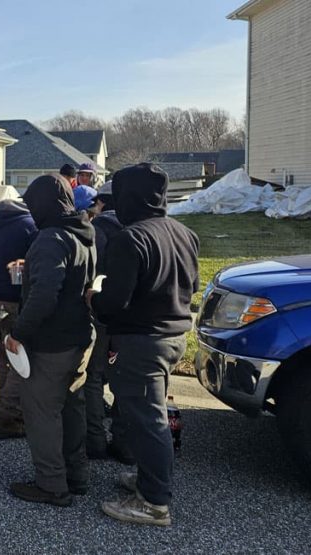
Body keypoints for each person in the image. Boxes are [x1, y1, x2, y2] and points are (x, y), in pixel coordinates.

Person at [90, 163, 199, 527]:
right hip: (176, 337)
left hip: (141, 342)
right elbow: (191, 285)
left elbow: (115, 302)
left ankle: (154, 502)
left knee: (148, 422)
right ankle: (150, 478)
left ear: (128, 196)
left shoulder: (130, 238)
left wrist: (93, 298)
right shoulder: (184, 233)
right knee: (149, 417)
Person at [6, 174, 96, 507]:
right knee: (71, 406)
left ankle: (51, 485)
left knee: (41, 411)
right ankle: (77, 475)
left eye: (32, 205)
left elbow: (44, 295)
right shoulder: (85, 232)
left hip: (52, 342)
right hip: (80, 337)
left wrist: (18, 333)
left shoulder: (50, 239)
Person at [0, 199, 37, 439]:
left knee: (2, 356)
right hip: (10, 301)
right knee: (19, 361)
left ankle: (3, 404)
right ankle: (8, 417)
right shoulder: (29, 226)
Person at [83, 181, 133, 464]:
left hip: (100, 313)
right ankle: (124, 442)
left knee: (93, 375)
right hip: (131, 320)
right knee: (123, 378)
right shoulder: (138, 230)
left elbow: (88, 271)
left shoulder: (96, 230)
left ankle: (95, 439)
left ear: (100, 203)